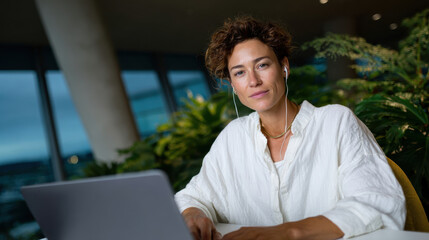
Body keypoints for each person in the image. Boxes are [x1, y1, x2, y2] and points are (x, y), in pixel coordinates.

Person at [175, 16, 406, 240]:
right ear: (233, 85)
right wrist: (192, 212)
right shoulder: (232, 138)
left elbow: (377, 202)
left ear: (284, 67)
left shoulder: (335, 122)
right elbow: (193, 196)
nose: (253, 81)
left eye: (262, 65)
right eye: (240, 72)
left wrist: (286, 233)